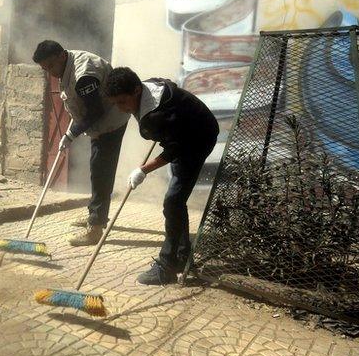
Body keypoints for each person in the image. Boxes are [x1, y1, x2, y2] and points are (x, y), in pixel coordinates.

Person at [103, 66, 219, 285]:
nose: (119, 108)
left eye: (122, 102)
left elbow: (176, 149)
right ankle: (184, 257)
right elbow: (164, 82)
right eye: (115, 103)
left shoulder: (155, 116)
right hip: (187, 128)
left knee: (173, 201)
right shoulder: (148, 86)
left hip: (199, 138)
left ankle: (167, 266)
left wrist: (143, 170)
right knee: (176, 202)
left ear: (137, 90)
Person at [32, 40, 130, 246]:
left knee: (101, 170)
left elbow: (95, 111)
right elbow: (80, 108)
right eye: (45, 69)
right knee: (97, 168)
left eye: (50, 66)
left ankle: (95, 227)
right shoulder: (65, 65)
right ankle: (95, 215)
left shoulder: (83, 74)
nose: (50, 72)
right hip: (99, 121)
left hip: (111, 121)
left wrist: (71, 134)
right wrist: (70, 132)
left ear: (61, 56)